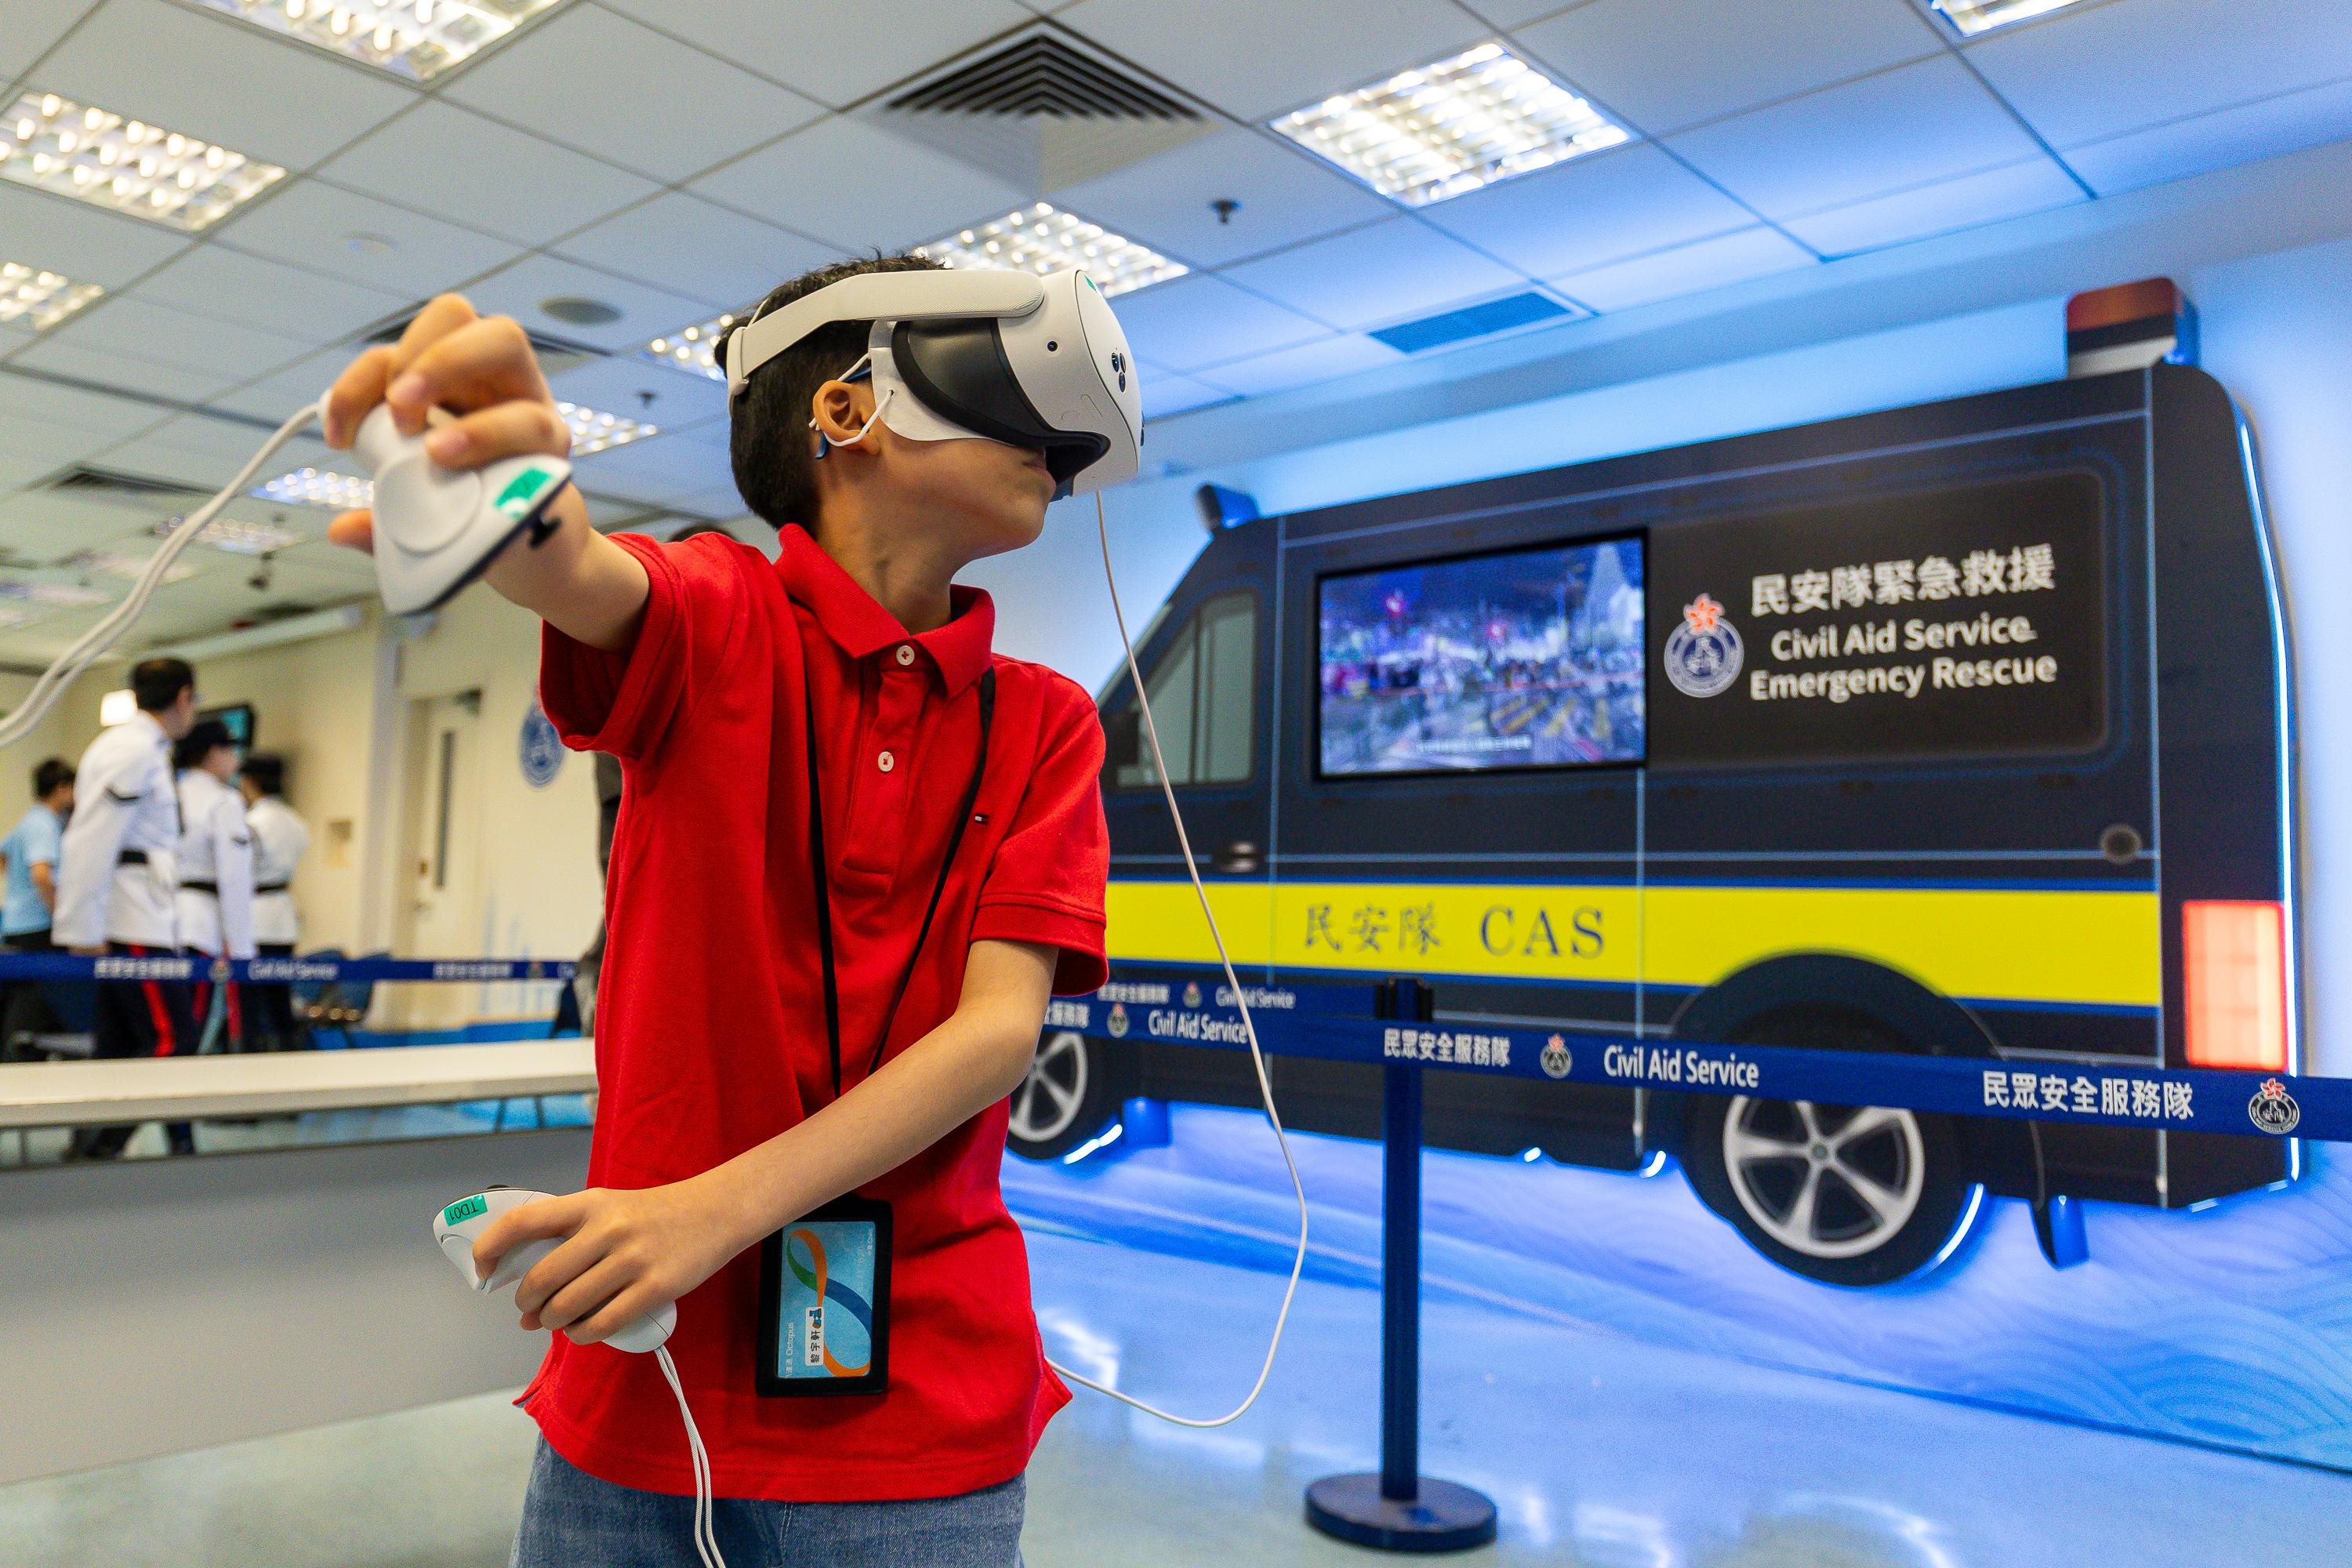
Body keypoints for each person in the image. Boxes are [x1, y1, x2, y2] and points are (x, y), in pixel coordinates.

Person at [322, 260, 1109, 1566]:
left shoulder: (1045, 721)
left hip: (923, 1411)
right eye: (999, 378)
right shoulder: (717, 611)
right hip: (646, 1384)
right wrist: (503, 490)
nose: (1054, 433)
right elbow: (578, 570)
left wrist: (707, 1213)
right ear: (850, 411)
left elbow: (994, 1036)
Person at [56, 657, 201, 1160]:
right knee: (173, 1040)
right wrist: (82, 929)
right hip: (133, 919)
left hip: (145, 913)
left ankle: (89, 1151)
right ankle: (103, 1147)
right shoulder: (132, 750)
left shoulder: (145, 749)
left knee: (117, 1047)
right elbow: (91, 839)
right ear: (183, 697)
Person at [174, 719, 256, 1052]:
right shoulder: (224, 801)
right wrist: (242, 950)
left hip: (158, 924)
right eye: (231, 750)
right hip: (199, 927)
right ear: (212, 753)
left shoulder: (171, 793)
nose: (236, 759)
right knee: (188, 1033)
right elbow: (234, 877)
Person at [0, 757, 74, 1059]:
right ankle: (19, 1059)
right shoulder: (45, 824)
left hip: (14, 923)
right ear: (61, 789)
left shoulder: (28, 821)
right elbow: (41, 875)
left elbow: (3, 857)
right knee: (31, 1001)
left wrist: (16, 895)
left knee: (17, 997)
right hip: (37, 926)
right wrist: (60, 915)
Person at [239, 753, 309, 1051]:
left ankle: (251, 1056)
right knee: (280, 999)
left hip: (255, 917)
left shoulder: (250, 822)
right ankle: (287, 1056)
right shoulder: (296, 821)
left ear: (249, 782)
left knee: (249, 1002)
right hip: (283, 917)